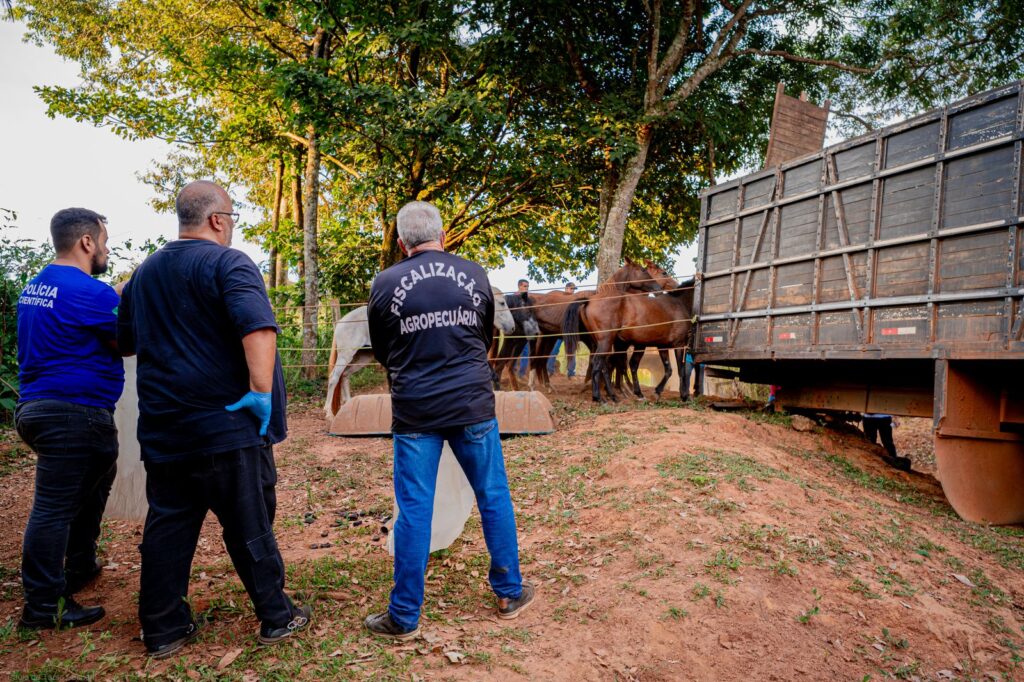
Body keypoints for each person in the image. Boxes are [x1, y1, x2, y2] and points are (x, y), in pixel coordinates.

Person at [118, 181, 309, 658]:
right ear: (218, 220)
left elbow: (124, 342)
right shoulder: (229, 262)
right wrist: (261, 394)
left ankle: (162, 629)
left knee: (169, 527)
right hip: (227, 426)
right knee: (249, 522)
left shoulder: (143, 275)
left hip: (165, 429)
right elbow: (258, 329)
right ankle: (277, 616)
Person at [365, 200, 534, 640]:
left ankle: (403, 617)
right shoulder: (475, 274)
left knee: (415, 508)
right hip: (472, 405)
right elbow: (483, 335)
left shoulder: (385, 284)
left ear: (402, 243)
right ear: (442, 236)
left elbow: (382, 351)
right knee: (493, 495)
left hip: (415, 410)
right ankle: (508, 592)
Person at [14, 208, 122, 630]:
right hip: (74, 413)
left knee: (97, 477)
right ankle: (42, 607)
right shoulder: (92, 292)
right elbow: (127, 342)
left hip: (38, 407)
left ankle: (79, 563)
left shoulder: (36, 286)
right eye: (105, 241)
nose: (107, 249)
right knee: (53, 507)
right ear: (87, 242)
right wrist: (125, 298)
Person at [546, 282, 577, 378]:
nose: (573, 291)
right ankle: (549, 370)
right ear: (566, 288)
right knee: (554, 350)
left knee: (571, 351)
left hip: (570, 330)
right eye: (571, 289)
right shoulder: (560, 299)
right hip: (559, 329)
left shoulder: (574, 300)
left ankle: (571, 373)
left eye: (573, 289)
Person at [516, 279, 530, 377]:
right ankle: (511, 370)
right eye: (525, 286)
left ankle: (522, 374)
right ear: (519, 286)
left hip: (527, 328)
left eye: (527, 286)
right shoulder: (513, 297)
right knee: (514, 350)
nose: (527, 288)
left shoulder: (528, 298)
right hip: (516, 329)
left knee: (526, 351)